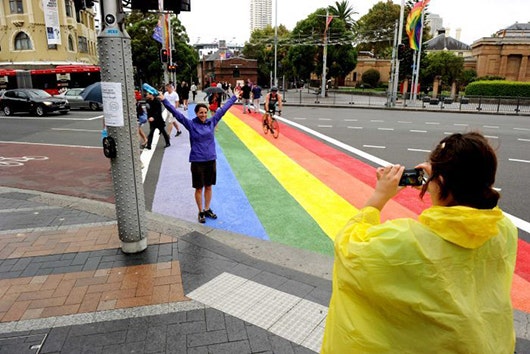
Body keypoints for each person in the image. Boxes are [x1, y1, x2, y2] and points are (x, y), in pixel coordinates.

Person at [321, 132, 518, 354]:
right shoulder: (504, 229)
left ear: (441, 181)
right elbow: (470, 212)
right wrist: (439, 186)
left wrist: (379, 197)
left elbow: (348, 247)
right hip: (488, 343)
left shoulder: (406, 241)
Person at [159, 92, 239, 223]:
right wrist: (164, 101)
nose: (203, 115)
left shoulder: (211, 122)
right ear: (196, 113)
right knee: (199, 188)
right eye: (200, 112)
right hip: (197, 161)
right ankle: (200, 211)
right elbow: (177, 113)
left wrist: (234, 97)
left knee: (209, 186)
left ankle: (207, 209)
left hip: (210, 160)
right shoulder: (191, 124)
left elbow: (223, 110)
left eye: (205, 112)